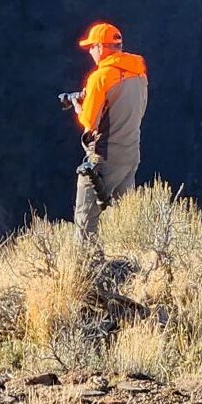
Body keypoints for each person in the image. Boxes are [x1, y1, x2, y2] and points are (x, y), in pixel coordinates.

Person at [69, 22, 148, 252]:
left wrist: (78, 107)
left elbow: (88, 123)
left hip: (106, 155)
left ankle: (83, 267)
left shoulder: (100, 78)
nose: (90, 51)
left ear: (102, 48)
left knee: (86, 215)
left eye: (92, 46)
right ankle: (132, 263)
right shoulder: (139, 70)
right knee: (125, 218)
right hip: (131, 152)